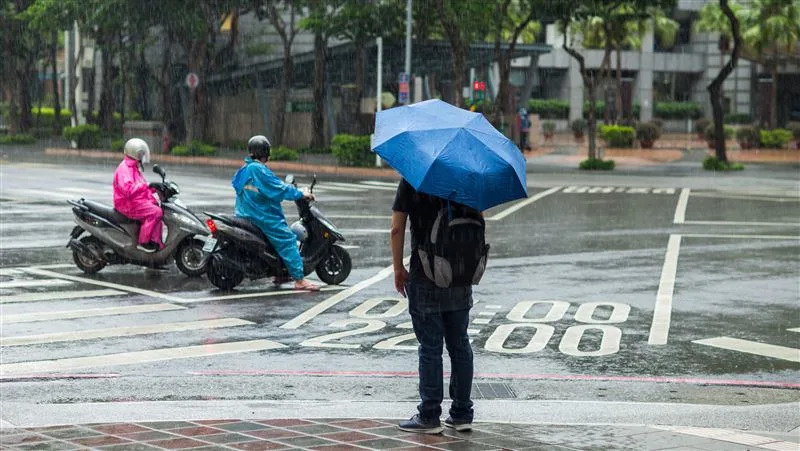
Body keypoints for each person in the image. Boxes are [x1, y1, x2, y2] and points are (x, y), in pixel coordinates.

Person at [391, 179, 474, 434]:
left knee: (430, 347)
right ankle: (461, 413)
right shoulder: (466, 178)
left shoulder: (414, 179)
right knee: (459, 343)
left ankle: (429, 416)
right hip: (459, 274)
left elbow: (397, 228)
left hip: (425, 274)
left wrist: (397, 268)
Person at [232, 135, 319, 291]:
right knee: (288, 240)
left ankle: (280, 272)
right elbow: (278, 189)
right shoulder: (258, 169)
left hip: (245, 214)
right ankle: (299, 280)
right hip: (261, 216)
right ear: (266, 151)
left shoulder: (245, 168)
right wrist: (300, 194)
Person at [113, 138, 163, 253]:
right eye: (140, 154)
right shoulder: (125, 169)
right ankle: (143, 242)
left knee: (158, 208)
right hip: (126, 204)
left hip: (135, 201)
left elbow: (141, 187)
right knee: (156, 212)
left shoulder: (134, 167)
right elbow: (128, 190)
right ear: (134, 153)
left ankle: (155, 242)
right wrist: (147, 185)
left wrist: (155, 189)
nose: (142, 156)